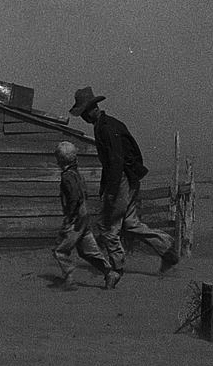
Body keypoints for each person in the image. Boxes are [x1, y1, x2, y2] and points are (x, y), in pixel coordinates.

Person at [69, 87, 178, 288]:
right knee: (130, 223)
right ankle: (166, 248)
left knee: (108, 227)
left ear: (93, 109)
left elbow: (116, 161)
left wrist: (110, 192)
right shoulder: (106, 124)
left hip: (121, 180)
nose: (83, 117)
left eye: (84, 112)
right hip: (126, 178)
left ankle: (116, 270)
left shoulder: (106, 128)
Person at [52, 141, 118, 290]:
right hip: (84, 217)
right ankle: (109, 273)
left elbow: (74, 197)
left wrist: (70, 216)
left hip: (75, 219)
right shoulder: (78, 174)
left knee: (60, 249)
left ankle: (69, 279)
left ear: (61, 160)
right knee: (88, 251)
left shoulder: (67, 177)